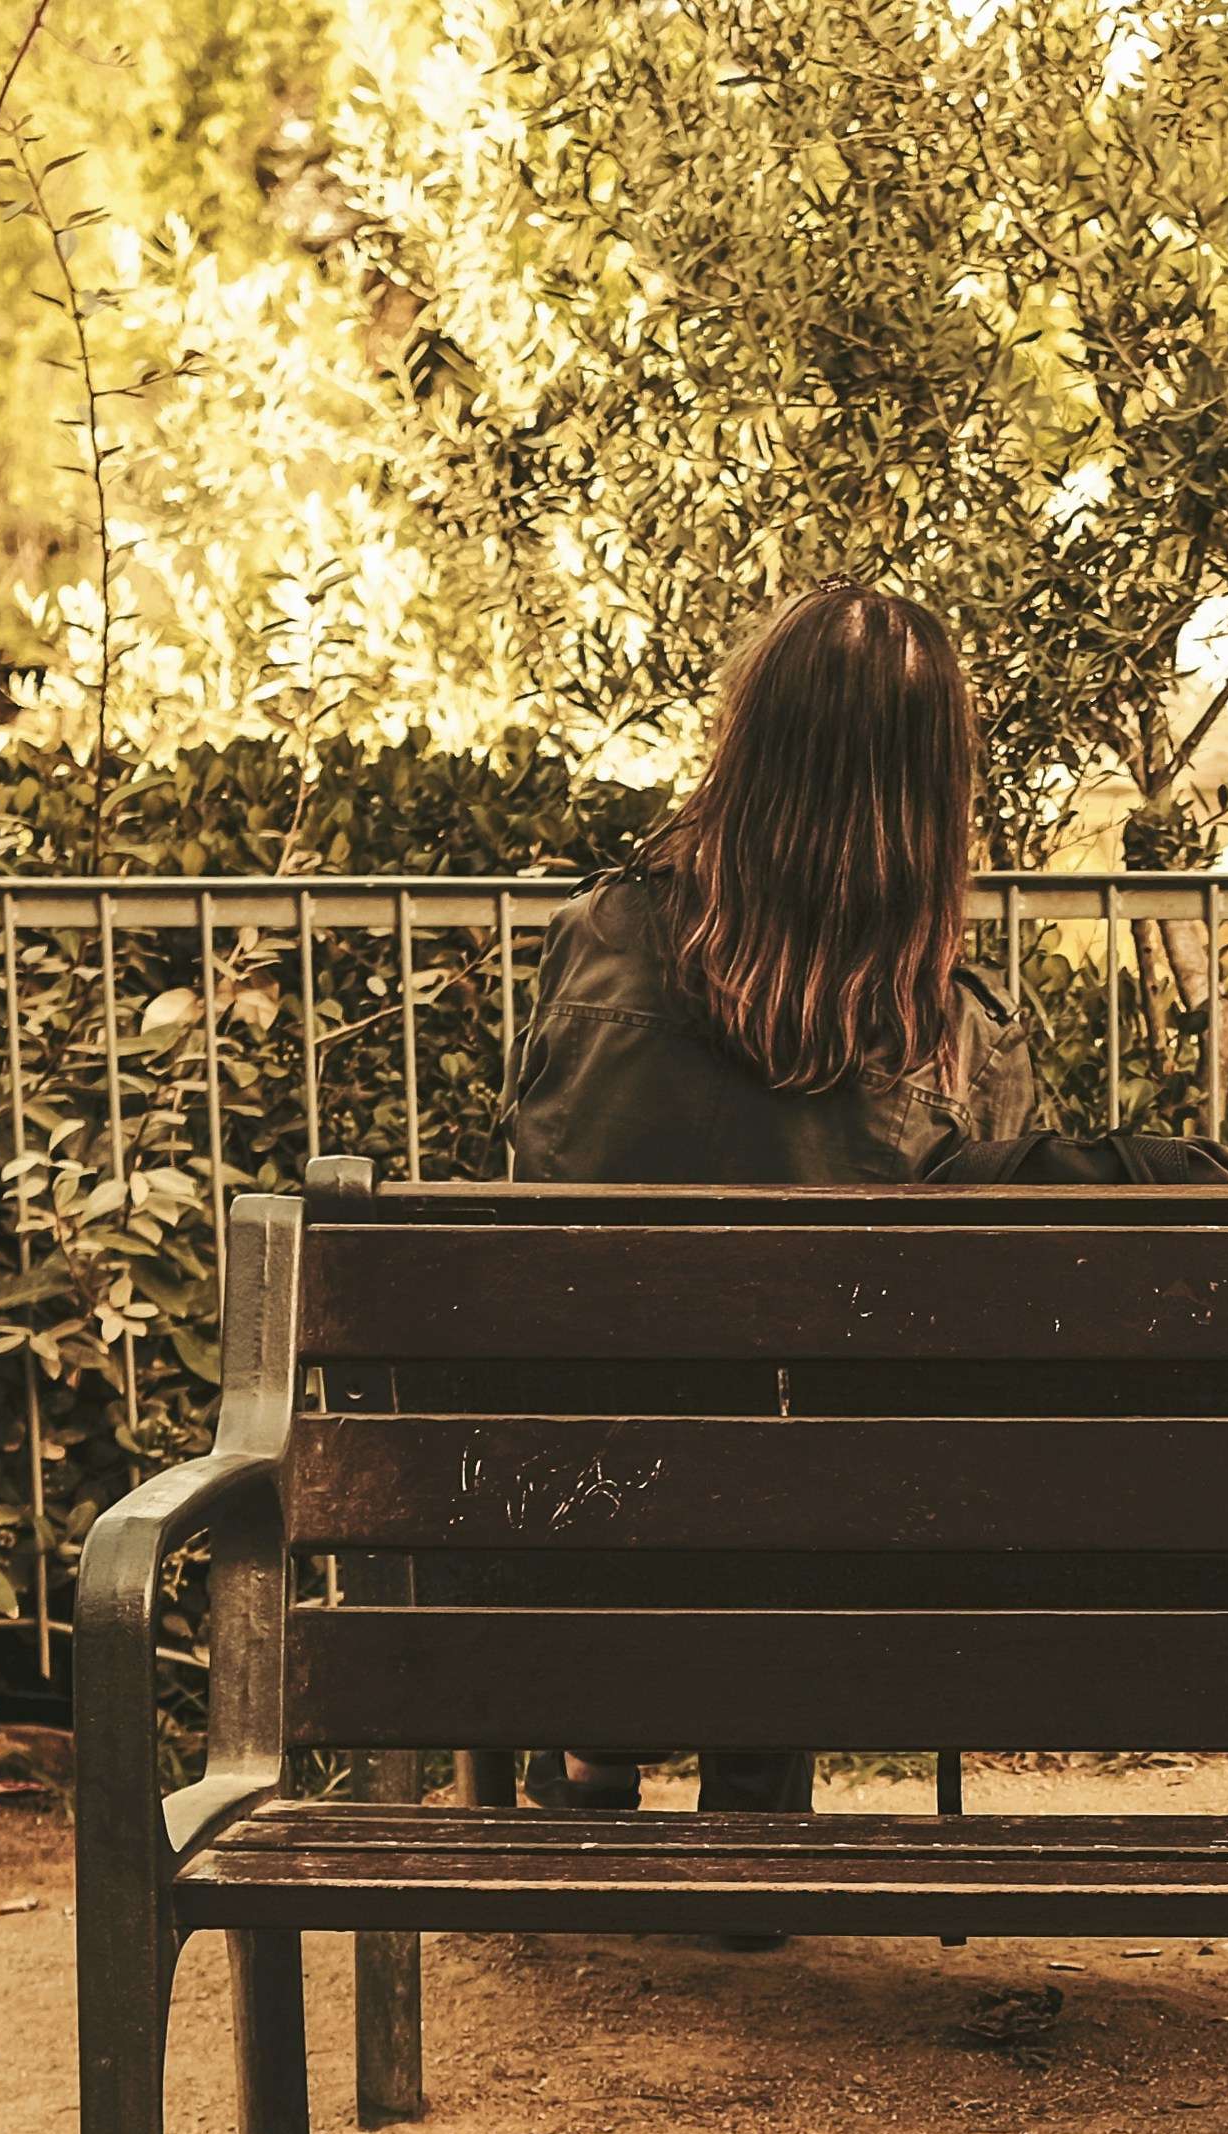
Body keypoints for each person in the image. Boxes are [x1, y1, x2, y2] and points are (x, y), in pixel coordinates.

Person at [504, 581, 1032, 1829]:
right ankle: (754, 1786)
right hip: (831, 1547)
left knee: (614, 1408)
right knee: (820, 1445)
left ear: (750, 743)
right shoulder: (957, 1032)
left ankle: (589, 1759)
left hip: (591, 1512)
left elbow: (531, 1193)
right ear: (928, 788)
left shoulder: (600, 941)